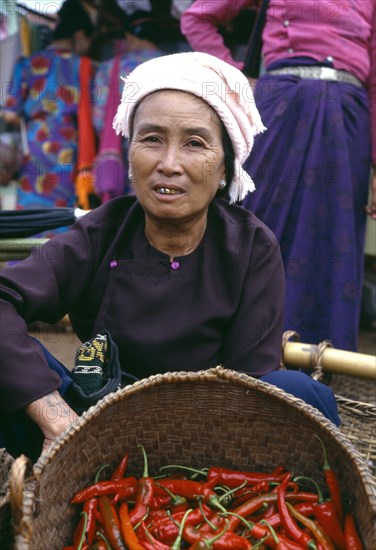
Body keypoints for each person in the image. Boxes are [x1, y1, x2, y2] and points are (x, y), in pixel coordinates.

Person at [0, 52, 340, 461]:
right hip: (96, 421)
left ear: (226, 170)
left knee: (301, 393)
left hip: (209, 433)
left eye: (195, 143)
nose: (168, 164)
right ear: (130, 156)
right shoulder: (103, 230)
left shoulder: (251, 247)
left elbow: (247, 389)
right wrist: (58, 419)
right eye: (152, 139)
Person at [181, 0, 376, 352]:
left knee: (335, 236)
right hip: (280, 105)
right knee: (261, 224)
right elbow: (198, 18)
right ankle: (242, 349)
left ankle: (320, 361)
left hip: (349, 117)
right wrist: (237, 77)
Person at [1, 0, 95, 216]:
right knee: (64, 220)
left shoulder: (26, 64)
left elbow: (9, 114)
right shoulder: (85, 67)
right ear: (79, 35)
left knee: (31, 220)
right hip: (70, 154)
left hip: (33, 154)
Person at [93, 9, 165, 199]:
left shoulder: (109, 68)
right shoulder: (176, 66)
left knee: (123, 210)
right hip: (163, 149)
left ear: (129, 36)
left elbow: (100, 120)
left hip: (123, 152)